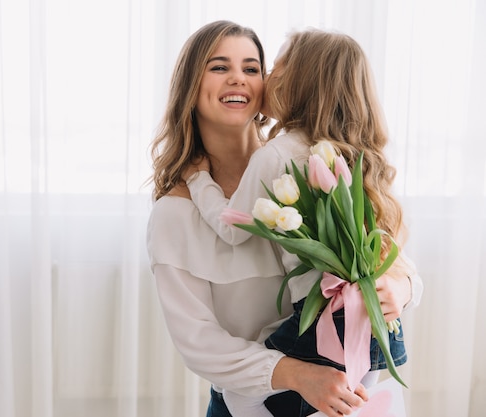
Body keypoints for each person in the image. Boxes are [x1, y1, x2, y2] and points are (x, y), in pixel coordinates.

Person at [146, 20, 393, 417]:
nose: (239, 80)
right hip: (279, 390)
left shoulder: (308, 163)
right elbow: (198, 341)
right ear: (190, 86)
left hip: (335, 391)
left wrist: (397, 286)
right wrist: (294, 374)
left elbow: (382, 245)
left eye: (252, 68)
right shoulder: (174, 212)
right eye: (219, 67)